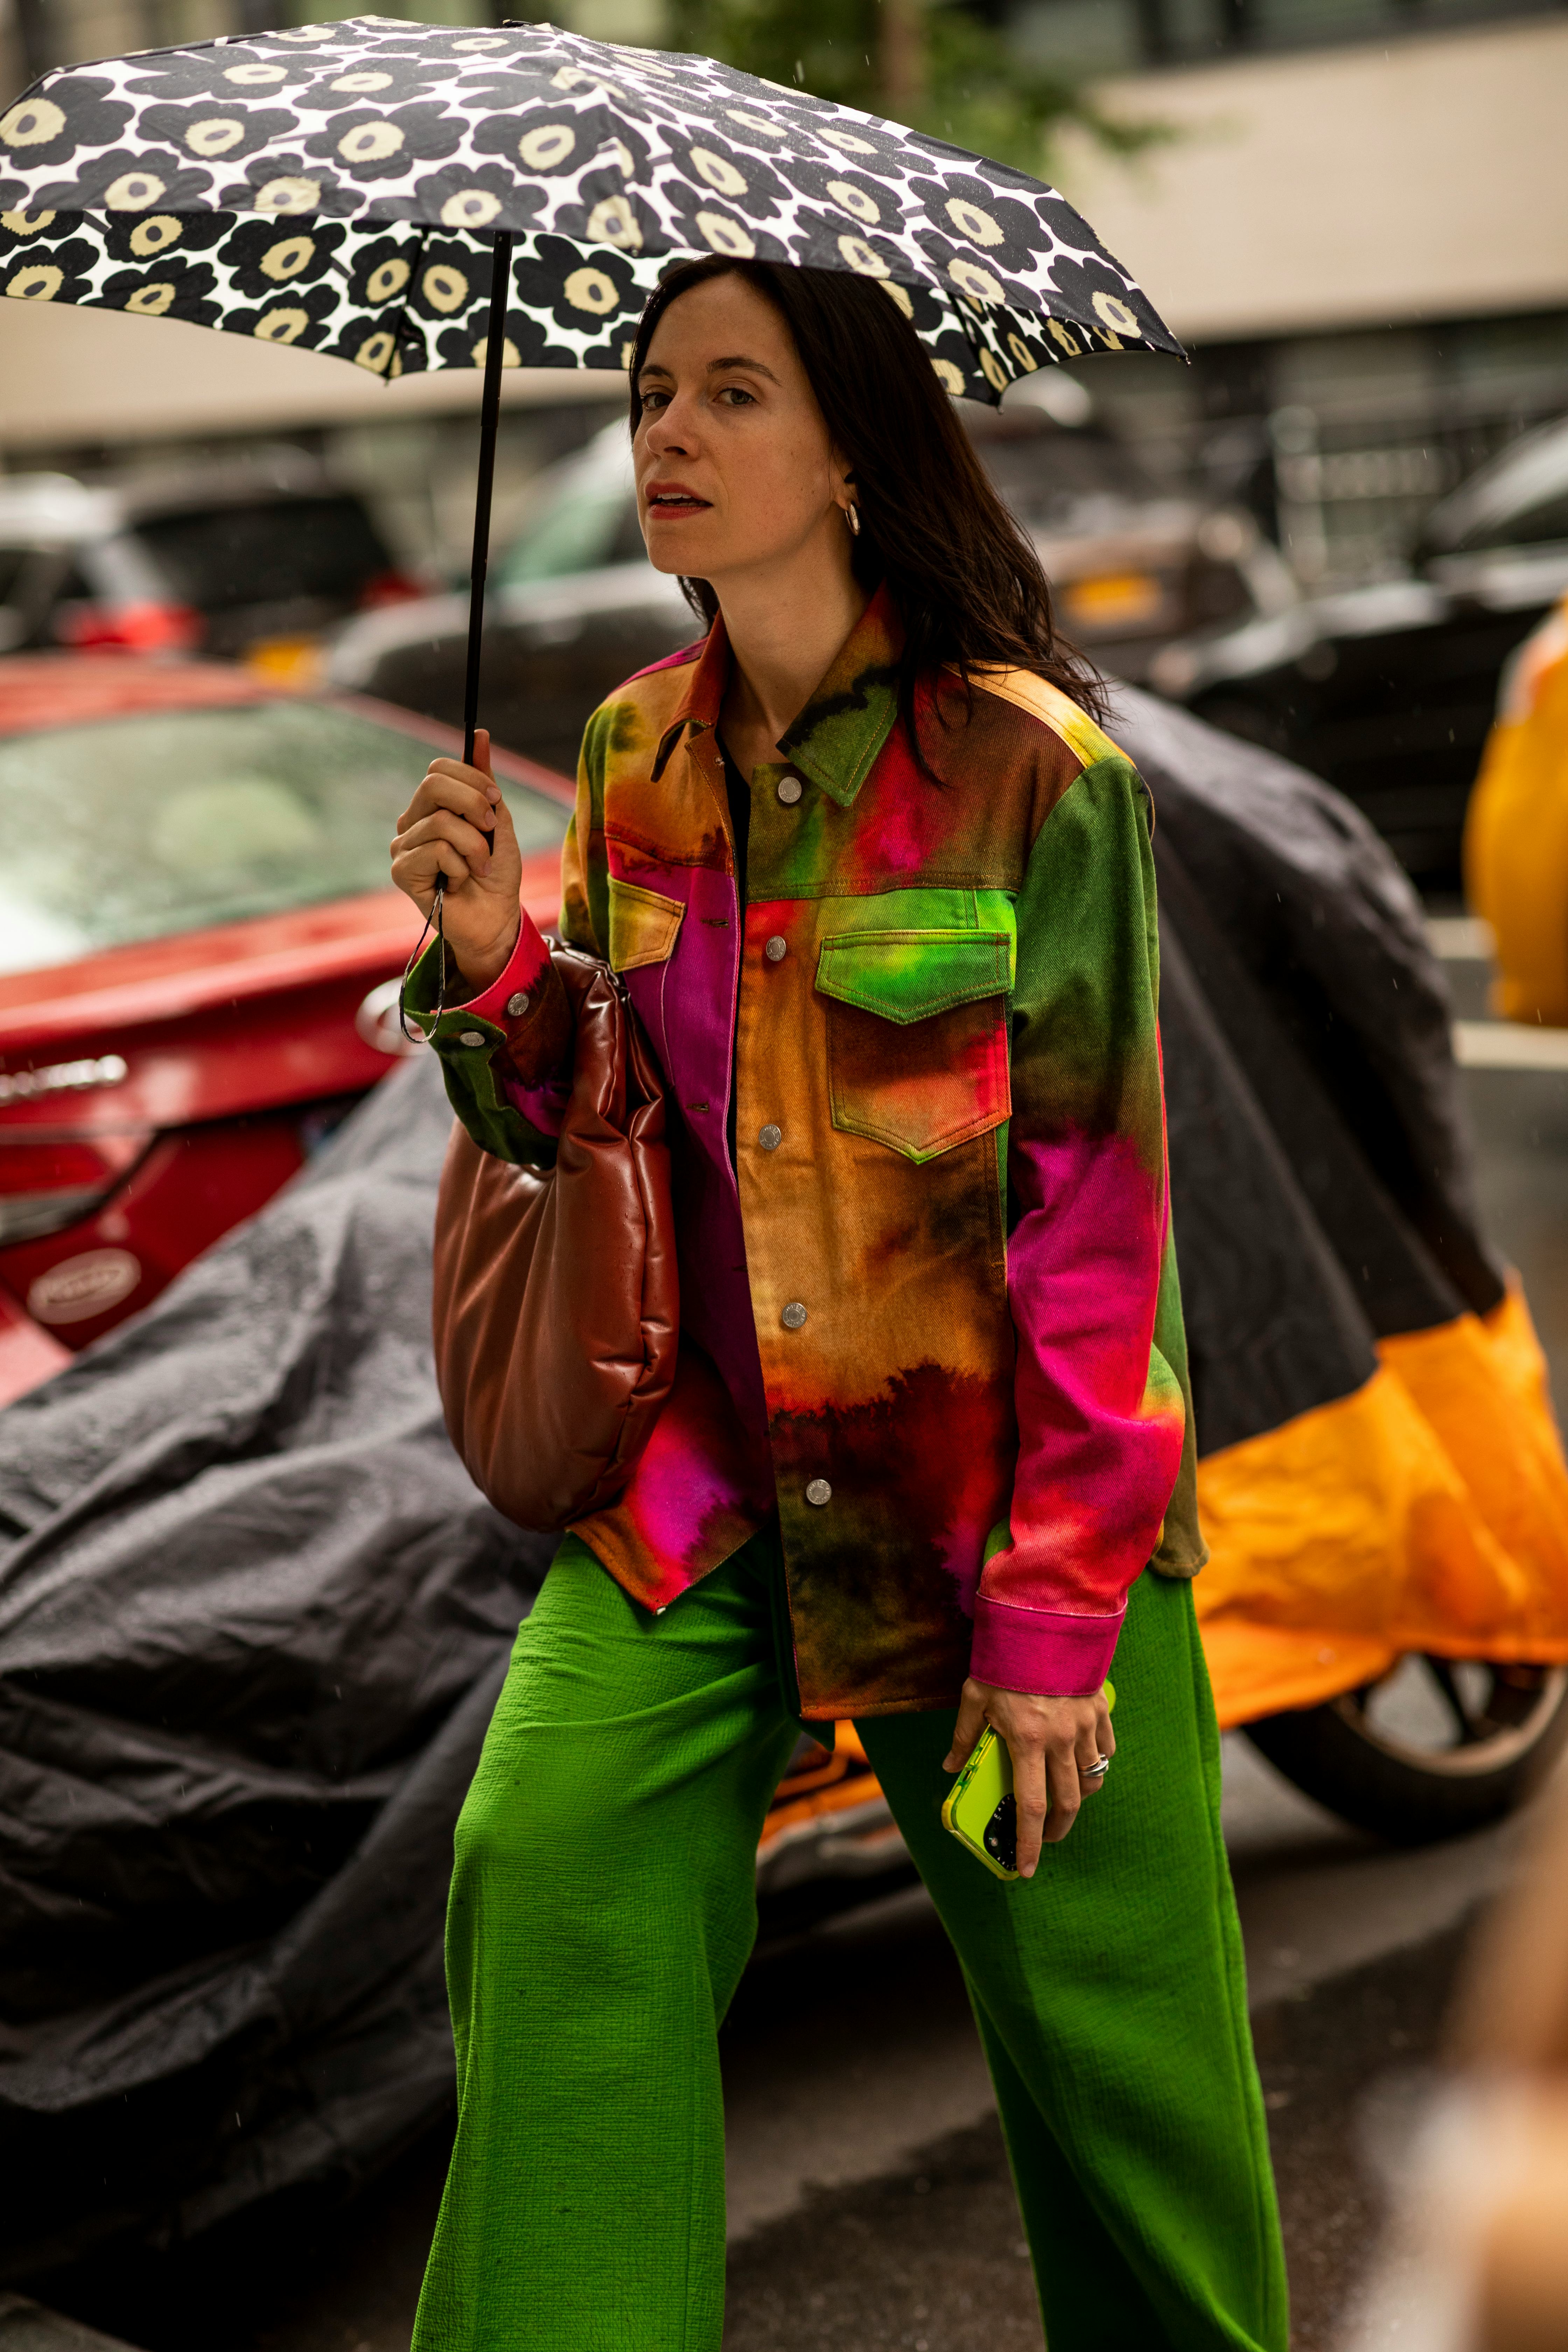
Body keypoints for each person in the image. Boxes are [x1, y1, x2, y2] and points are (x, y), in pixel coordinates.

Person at [391, 254, 1288, 2352]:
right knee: (544, 1859)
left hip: (1000, 1511)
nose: (665, 438)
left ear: (857, 456)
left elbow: (1095, 1230)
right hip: (704, 1487)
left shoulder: (1037, 773)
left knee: (1124, 2092)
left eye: (729, 396)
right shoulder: (629, 754)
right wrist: (491, 962)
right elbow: (576, 1126)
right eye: (648, 395)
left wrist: (1058, 1627)